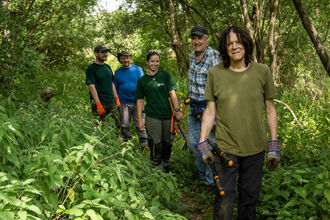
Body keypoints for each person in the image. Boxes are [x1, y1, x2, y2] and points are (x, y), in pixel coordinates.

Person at [197, 26, 280, 219]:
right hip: (226, 149)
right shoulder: (215, 74)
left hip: (255, 148)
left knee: (249, 198)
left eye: (238, 42)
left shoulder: (262, 71)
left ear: (246, 44)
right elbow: (210, 111)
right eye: (229, 43)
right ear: (224, 49)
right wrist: (202, 143)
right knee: (224, 198)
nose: (234, 46)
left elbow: (270, 109)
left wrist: (273, 144)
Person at [136, 50, 183, 172]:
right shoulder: (142, 81)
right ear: (147, 62)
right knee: (157, 142)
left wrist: (177, 110)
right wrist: (140, 121)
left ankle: (166, 165)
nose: (155, 64)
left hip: (167, 115)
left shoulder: (165, 75)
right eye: (152, 61)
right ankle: (157, 167)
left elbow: (172, 94)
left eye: (157, 61)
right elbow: (140, 101)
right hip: (152, 116)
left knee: (167, 142)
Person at [186, 25, 221, 187]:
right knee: (194, 145)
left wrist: (216, 117)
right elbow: (193, 82)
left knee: (208, 147)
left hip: (209, 109)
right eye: (194, 38)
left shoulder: (213, 56)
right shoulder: (193, 56)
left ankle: (211, 182)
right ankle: (202, 178)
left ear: (207, 39)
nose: (196, 41)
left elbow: (220, 86)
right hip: (194, 108)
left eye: (200, 38)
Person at [114, 51, 148, 148]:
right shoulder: (117, 72)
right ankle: (127, 144)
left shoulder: (137, 69)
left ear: (130, 58)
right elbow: (114, 88)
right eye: (123, 58)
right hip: (123, 102)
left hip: (137, 101)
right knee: (124, 125)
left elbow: (143, 83)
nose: (126, 60)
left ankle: (144, 144)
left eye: (127, 57)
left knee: (140, 123)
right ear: (120, 59)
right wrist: (117, 101)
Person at [86, 45, 120, 130]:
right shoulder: (91, 69)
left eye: (106, 52)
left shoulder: (107, 67)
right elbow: (92, 87)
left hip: (111, 102)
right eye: (102, 52)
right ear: (96, 54)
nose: (105, 54)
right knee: (98, 127)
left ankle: (115, 142)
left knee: (116, 125)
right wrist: (97, 103)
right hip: (100, 103)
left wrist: (117, 99)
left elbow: (112, 83)